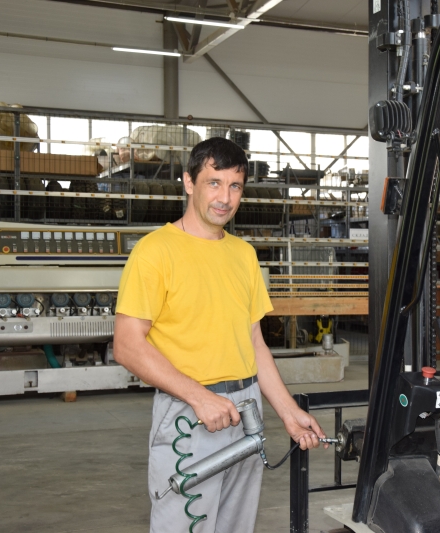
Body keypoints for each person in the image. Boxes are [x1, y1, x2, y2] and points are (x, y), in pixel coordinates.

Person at [113, 137, 327, 533]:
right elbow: (127, 345)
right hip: (190, 414)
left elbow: (254, 344)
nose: (225, 198)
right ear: (188, 183)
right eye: (214, 183)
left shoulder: (243, 255)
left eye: (235, 186)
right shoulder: (155, 251)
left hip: (247, 411)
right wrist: (199, 397)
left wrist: (288, 413)